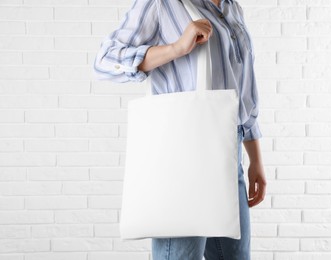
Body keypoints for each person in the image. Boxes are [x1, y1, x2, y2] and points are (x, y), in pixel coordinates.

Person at [93, 0, 267, 258]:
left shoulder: (233, 8)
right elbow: (105, 60)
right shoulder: (162, 4)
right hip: (184, 157)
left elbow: (244, 91)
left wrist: (255, 159)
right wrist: (176, 48)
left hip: (229, 156)